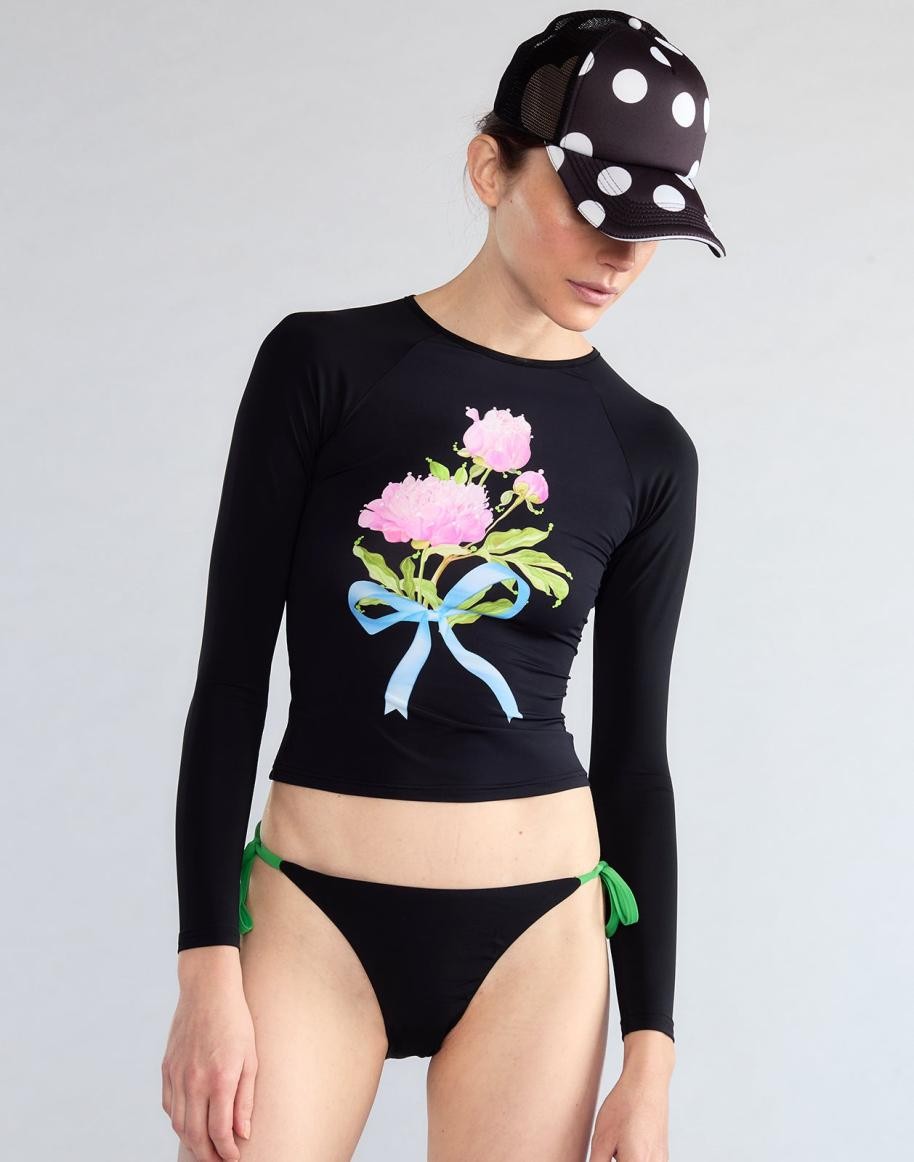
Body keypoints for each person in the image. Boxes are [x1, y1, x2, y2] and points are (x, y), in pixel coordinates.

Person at [161, 10, 725, 1161]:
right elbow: (228, 679)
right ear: (487, 167)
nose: (619, 253)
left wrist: (650, 1056)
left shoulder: (646, 451)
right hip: (310, 913)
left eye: (648, 223)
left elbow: (633, 759)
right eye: (590, 206)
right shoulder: (321, 367)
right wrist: (205, 966)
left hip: (539, 941)